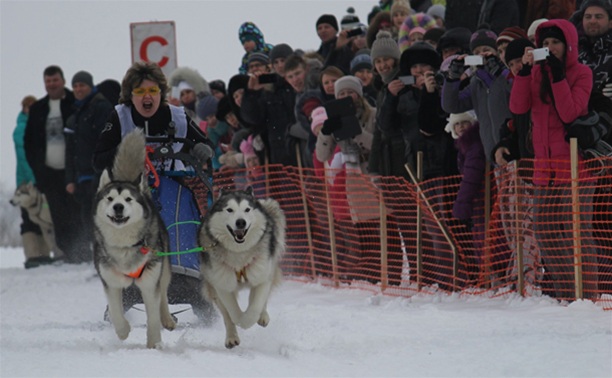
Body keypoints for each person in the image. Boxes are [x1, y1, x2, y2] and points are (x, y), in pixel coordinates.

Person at [92, 61, 214, 318]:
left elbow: (202, 144)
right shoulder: (120, 117)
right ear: (130, 96)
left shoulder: (178, 117)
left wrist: (201, 149)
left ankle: (186, 275)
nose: (147, 97)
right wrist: (128, 153)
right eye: (140, 92)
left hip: (172, 183)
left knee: (177, 208)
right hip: (132, 191)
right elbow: (99, 158)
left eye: (152, 91)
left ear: (162, 93)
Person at [509, 19, 598, 300]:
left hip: (574, 166)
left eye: (555, 42)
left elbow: (570, 112)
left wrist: (558, 77)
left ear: (568, 45)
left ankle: (588, 296)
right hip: (543, 167)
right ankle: (565, 293)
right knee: (544, 231)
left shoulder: (581, 73)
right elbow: (517, 107)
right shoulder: (534, 74)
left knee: (577, 232)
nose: (550, 48)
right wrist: (523, 73)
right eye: (544, 43)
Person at [24, 65, 85, 264]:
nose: (52, 84)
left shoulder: (75, 103)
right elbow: (29, 143)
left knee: (77, 212)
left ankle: (83, 250)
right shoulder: (38, 109)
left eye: (55, 80)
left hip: (73, 171)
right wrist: (39, 172)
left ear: (63, 81)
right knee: (57, 215)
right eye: (48, 81)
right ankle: (67, 252)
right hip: (49, 174)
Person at [441, 28, 513, 162]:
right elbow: (451, 105)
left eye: (486, 49)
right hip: (492, 154)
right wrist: (453, 77)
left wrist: (499, 71)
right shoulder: (476, 83)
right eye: (476, 52)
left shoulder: (507, 75)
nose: (482, 55)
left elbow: (517, 92)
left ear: (496, 52)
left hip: (513, 150)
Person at [64, 71, 113, 262]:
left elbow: (106, 141)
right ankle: (99, 258)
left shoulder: (101, 108)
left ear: (90, 86)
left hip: (99, 174)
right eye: (75, 86)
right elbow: (71, 151)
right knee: (89, 219)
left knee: (103, 218)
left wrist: (102, 171)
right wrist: (70, 178)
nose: (78, 89)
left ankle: (109, 258)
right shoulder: (76, 113)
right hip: (82, 176)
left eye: (81, 85)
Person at [14, 94, 55, 268]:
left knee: (42, 217)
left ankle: (43, 253)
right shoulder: (22, 128)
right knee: (30, 218)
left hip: (36, 178)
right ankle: (33, 254)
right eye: (28, 107)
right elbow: (24, 157)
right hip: (27, 181)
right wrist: (33, 177)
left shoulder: (35, 126)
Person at [576, 0, 612, 97]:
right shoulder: (574, 50)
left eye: (598, 17)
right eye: (588, 17)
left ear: (610, 23)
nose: (592, 21)